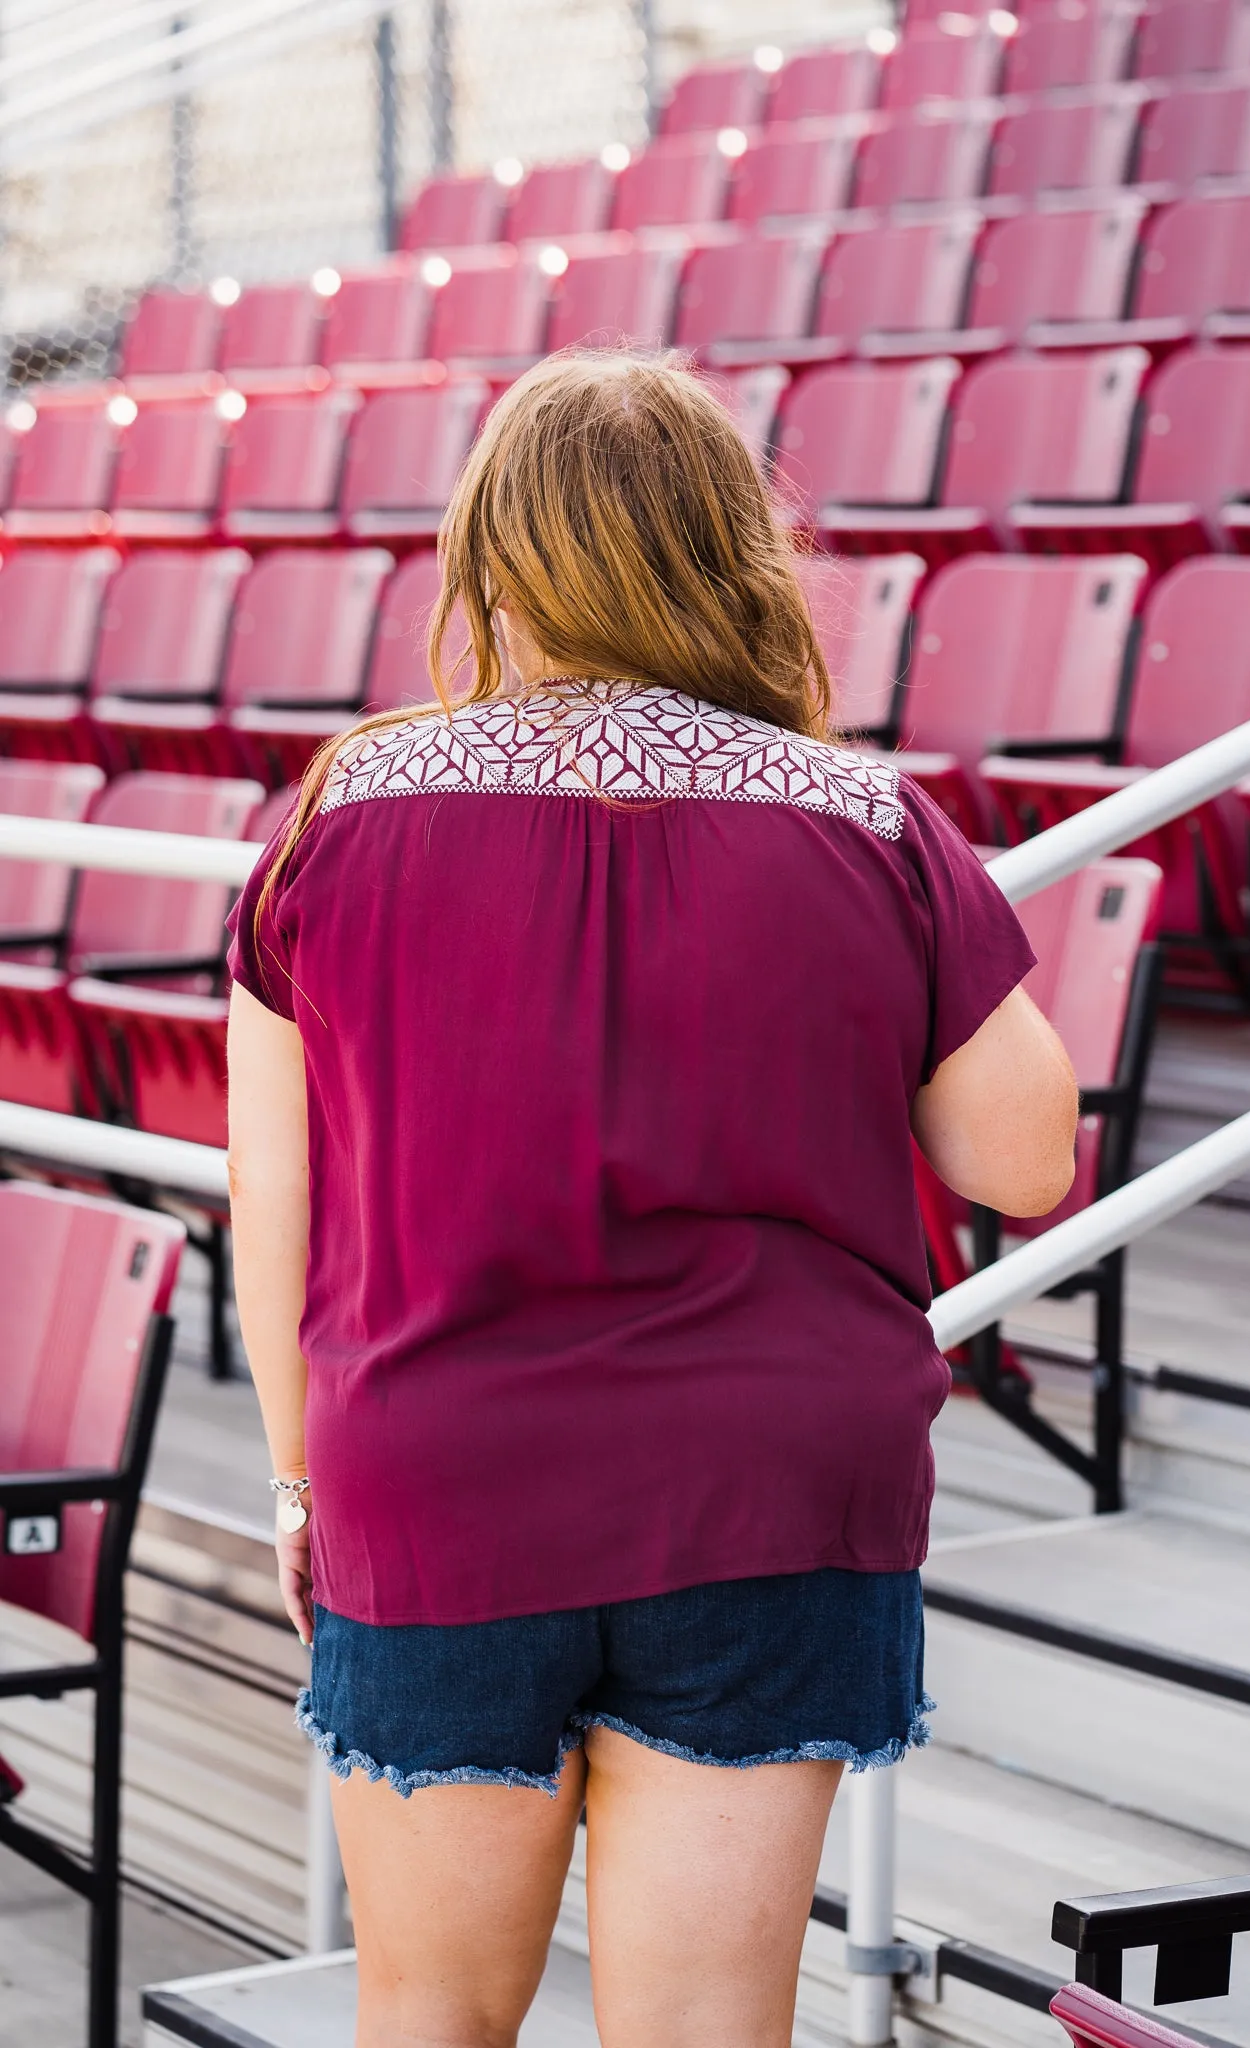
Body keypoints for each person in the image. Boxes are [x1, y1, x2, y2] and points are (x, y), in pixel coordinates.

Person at [225, 350, 1078, 2048]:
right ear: (732, 556)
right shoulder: (869, 820)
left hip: (442, 1475)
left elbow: (280, 1204)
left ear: (492, 557)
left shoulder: (341, 812)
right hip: (769, 1488)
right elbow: (1028, 1160)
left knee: (430, 2019)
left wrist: (301, 1476)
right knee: (705, 2029)